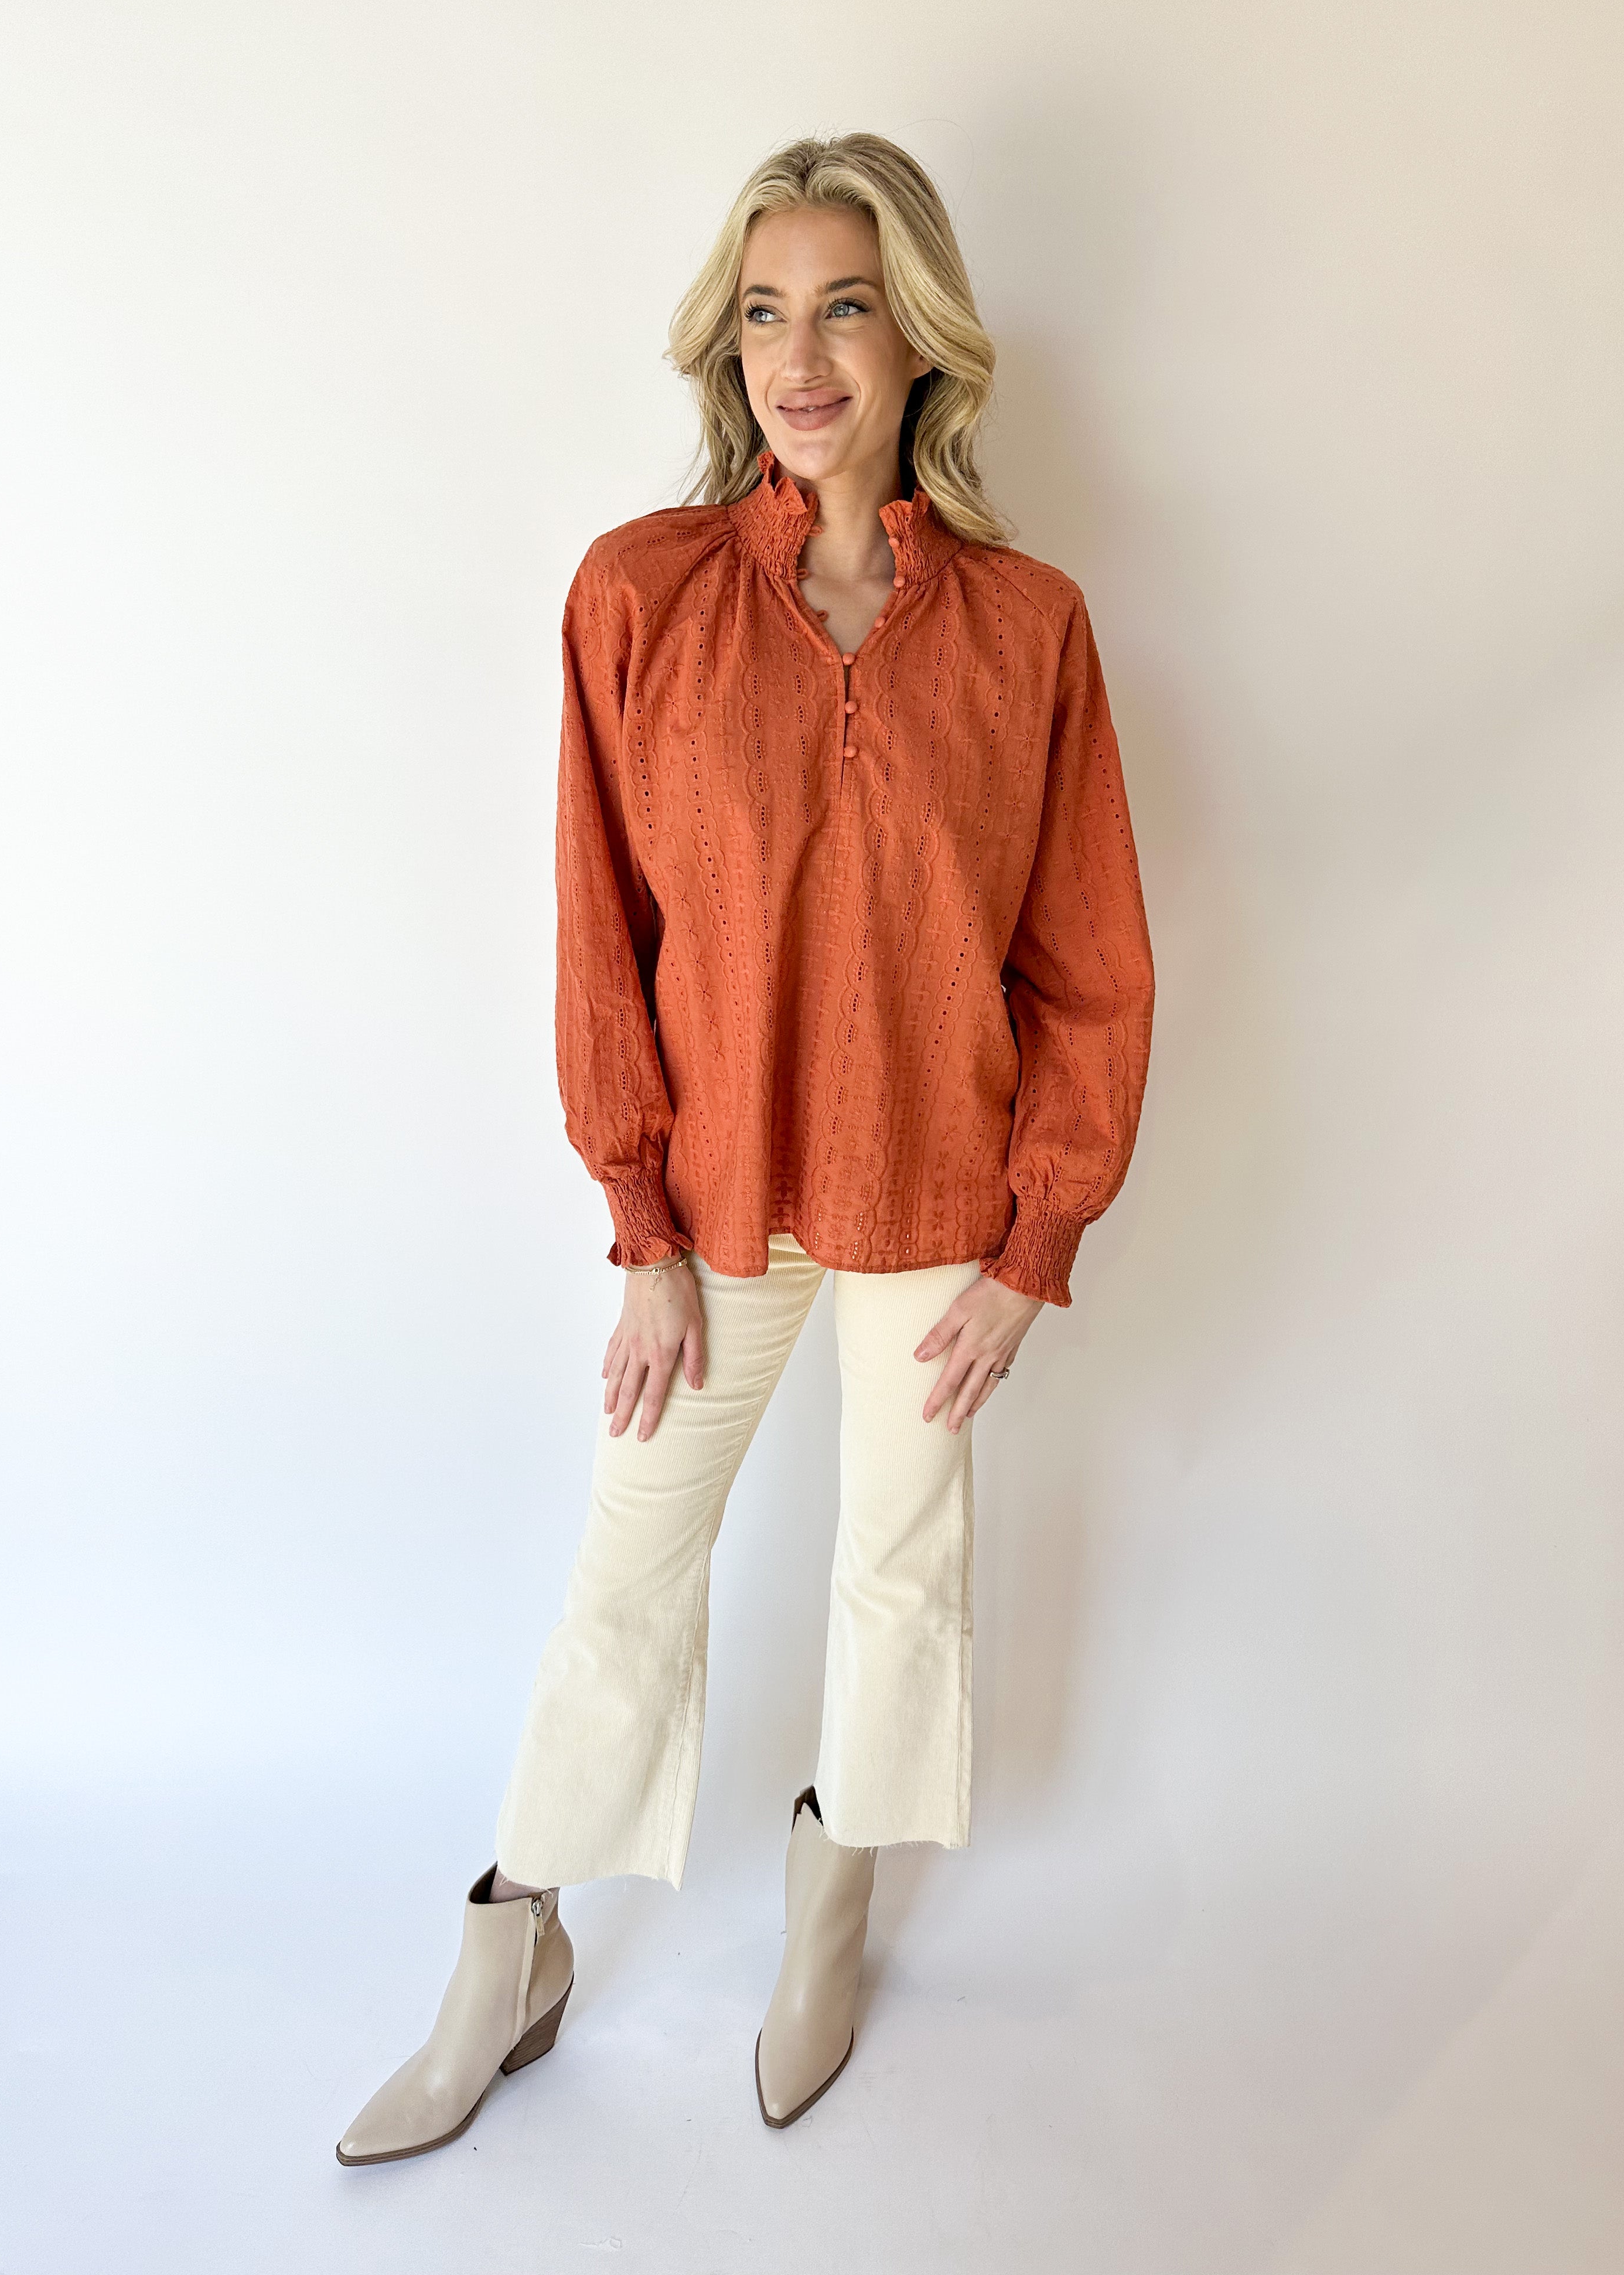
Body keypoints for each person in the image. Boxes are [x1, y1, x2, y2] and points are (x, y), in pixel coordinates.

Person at [335, 130, 1155, 2166]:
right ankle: (511, 1946)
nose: (802, 357)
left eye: (846, 307)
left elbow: (1087, 961)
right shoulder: (642, 596)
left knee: (900, 1570)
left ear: (919, 336)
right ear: (728, 345)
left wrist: (1036, 1245)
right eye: (766, 312)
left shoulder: (1030, 630)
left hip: (935, 1195)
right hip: (710, 1204)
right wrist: (638, 1224)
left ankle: (831, 1906)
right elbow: (598, 927)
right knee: (631, 1567)